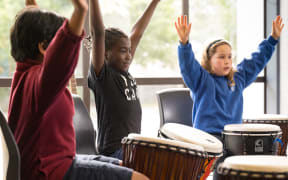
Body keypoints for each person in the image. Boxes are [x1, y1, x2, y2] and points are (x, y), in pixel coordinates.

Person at [8, 0, 149, 179]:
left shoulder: (23, 73)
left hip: (58, 161)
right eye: (57, 39)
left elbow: (28, 27)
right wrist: (81, 10)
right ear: (44, 47)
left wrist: (32, 8)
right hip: (49, 171)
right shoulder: (42, 82)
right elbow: (65, 50)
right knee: (140, 178)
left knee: (124, 165)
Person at [174, 15, 284, 179]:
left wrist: (273, 39)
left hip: (234, 138)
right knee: (221, 168)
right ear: (209, 60)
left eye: (229, 57)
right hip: (208, 138)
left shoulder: (238, 78)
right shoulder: (202, 80)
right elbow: (188, 66)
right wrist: (184, 44)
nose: (227, 61)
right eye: (221, 57)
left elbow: (257, 60)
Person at [88, 0, 161, 160]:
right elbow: (98, 33)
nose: (129, 55)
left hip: (132, 147)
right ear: (105, 54)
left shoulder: (124, 72)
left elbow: (137, 32)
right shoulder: (103, 76)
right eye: (123, 51)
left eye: (129, 50)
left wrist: (155, 2)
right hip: (115, 152)